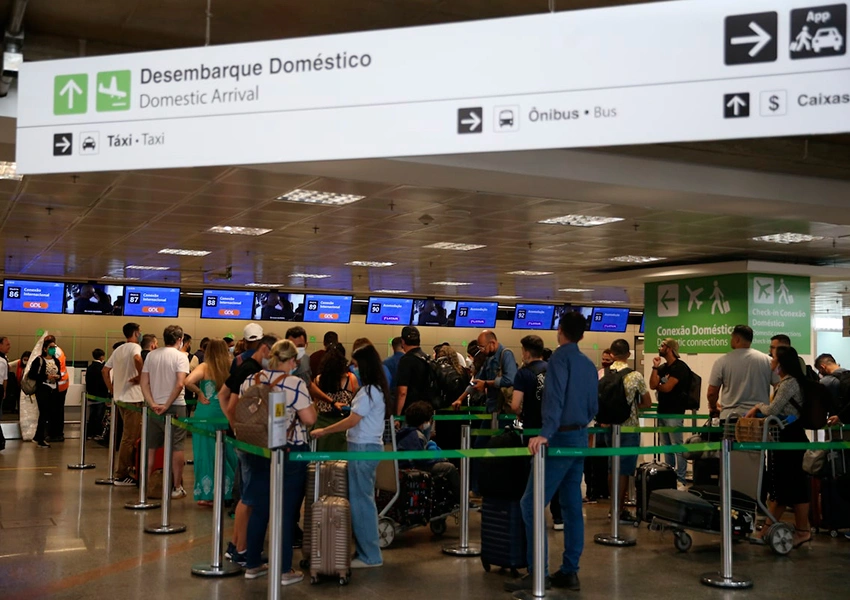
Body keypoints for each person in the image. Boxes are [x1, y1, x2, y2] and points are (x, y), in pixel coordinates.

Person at [505, 311, 598, 593]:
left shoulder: (558, 359)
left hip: (557, 439)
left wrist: (546, 433)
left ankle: (538, 573)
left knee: (531, 503)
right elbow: (593, 406)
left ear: (560, 331)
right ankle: (570, 571)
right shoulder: (588, 364)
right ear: (582, 334)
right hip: (579, 438)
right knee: (571, 505)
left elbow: (555, 397)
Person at [227, 339, 316, 583]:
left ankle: (253, 564)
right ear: (291, 361)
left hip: (257, 449)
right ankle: (284, 569)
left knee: (260, 507)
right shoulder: (294, 383)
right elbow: (309, 419)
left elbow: (237, 409)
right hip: (289, 451)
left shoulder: (251, 380)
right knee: (286, 511)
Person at [311, 344, 391, 569]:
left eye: (355, 365)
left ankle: (370, 556)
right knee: (362, 500)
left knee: (361, 503)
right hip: (366, 447)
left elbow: (352, 421)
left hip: (362, 448)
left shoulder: (368, 392)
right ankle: (366, 551)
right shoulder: (375, 390)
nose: (352, 369)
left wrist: (324, 430)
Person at [219, 334, 279, 567]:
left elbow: (223, 395)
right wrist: (238, 427)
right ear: (265, 349)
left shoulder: (244, 367)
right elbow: (231, 403)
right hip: (252, 442)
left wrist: (236, 427)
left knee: (247, 494)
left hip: (244, 439)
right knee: (250, 497)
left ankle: (236, 545)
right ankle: (242, 549)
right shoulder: (253, 373)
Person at [745, 345, 811, 549]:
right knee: (789, 486)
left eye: (773, 357)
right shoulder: (789, 382)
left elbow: (772, 410)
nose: (771, 361)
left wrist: (758, 407)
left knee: (788, 486)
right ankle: (790, 530)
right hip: (789, 436)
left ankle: (792, 531)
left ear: (781, 364)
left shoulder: (789, 384)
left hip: (789, 438)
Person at [511, 335, 564, 528]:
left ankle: (533, 515)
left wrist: (521, 413)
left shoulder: (523, 374)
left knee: (531, 473)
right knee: (554, 471)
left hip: (532, 429)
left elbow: (515, 405)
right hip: (553, 429)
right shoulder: (553, 370)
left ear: (526, 352)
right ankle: (558, 517)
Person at [602, 338, 652, 523]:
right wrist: (632, 406)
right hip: (629, 426)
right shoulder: (635, 376)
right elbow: (647, 402)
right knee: (624, 470)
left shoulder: (603, 373)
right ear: (629, 354)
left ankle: (612, 508)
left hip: (608, 427)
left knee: (611, 466)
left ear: (612, 354)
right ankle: (619, 510)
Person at [185, 339, 239, 506]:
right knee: (229, 453)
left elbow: (187, 381)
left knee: (206, 454)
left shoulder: (204, 367)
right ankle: (230, 491)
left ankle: (208, 494)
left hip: (205, 414)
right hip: (225, 413)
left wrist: (199, 393)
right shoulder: (232, 365)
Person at [140, 325, 190, 499]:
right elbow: (179, 383)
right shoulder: (181, 357)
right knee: (177, 446)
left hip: (154, 408)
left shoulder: (152, 355)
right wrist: (167, 404)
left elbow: (144, 382)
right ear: (179, 339)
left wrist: (152, 403)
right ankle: (177, 486)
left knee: (151, 447)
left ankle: (145, 486)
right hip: (176, 406)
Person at [102, 324, 145, 486]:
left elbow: (105, 371)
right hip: (133, 398)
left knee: (132, 435)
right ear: (135, 333)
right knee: (129, 437)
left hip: (120, 397)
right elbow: (137, 359)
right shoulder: (135, 347)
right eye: (139, 331)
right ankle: (121, 474)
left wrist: (112, 389)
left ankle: (132, 467)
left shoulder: (118, 349)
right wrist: (141, 375)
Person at [396, 401, 460, 504]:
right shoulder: (416, 435)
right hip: (414, 468)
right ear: (424, 420)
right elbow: (421, 459)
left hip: (406, 467)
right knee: (450, 468)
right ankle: (461, 499)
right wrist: (438, 458)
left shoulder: (405, 432)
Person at [707, 325, 772, 420]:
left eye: (732, 337)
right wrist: (770, 408)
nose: (731, 340)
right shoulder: (767, 360)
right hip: (759, 418)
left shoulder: (721, 362)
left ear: (737, 339)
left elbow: (711, 393)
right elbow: (779, 387)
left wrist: (713, 407)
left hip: (730, 417)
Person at [649, 338, 691, 486]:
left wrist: (659, 386)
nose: (659, 347)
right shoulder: (663, 367)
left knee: (677, 446)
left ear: (670, 349)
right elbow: (652, 385)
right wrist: (655, 368)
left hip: (675, 412)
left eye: (663, 345)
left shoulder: (680, 368)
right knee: (666, 447)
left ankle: (681, 479)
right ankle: (670, 477)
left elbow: (667, 388)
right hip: (662, 411)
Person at [312, 342, 358, 452]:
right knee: (342, 460)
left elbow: (316, 404)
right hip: (343, 426)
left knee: (321, 459)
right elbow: (356, 402)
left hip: (322, 424)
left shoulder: (319, 379)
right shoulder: (351, 379)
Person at [27, 335, 62, 448]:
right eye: (51, 347)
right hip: (43, 389)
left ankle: (38, 436)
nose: (53, 349)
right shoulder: (39, 360)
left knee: (48, 413)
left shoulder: (56, 361)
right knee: (44, 413)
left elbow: (60, 374)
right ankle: (41, 438)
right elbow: (32, 374)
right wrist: (46, 377)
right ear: (45, 349)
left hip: (53, 389)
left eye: (54, 347)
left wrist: (57, 377)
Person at [473, 330, 517, 414]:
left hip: (503, 409)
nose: (481, 350)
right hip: (491, 406)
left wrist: (486, 384)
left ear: (492, 343)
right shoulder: (488, 358)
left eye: (482, 347)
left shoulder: (506, 354)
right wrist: (460, 399)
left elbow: (510, 379)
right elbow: (478, 380)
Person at [395, 326, 432, 415]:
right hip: (427, 410)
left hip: (411, 411)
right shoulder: (427, 358)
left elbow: (402, 392)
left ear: (403, 342)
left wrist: (398, 415)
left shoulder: (406, 360)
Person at [85, 348, 110, 441]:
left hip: (91, 395)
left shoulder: (90, 367)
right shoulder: (102, 368)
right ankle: (97, 433)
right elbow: (103, 382)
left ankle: (89, 433)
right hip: (101, 395)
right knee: (99, 416)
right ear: (101, 357)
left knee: (92, 415)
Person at [0, 336, 9, 451]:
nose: (9, 347)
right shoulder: (3, 360)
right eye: (7, 344)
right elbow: (5, 379)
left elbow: (5, 378)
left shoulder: (3, 360)